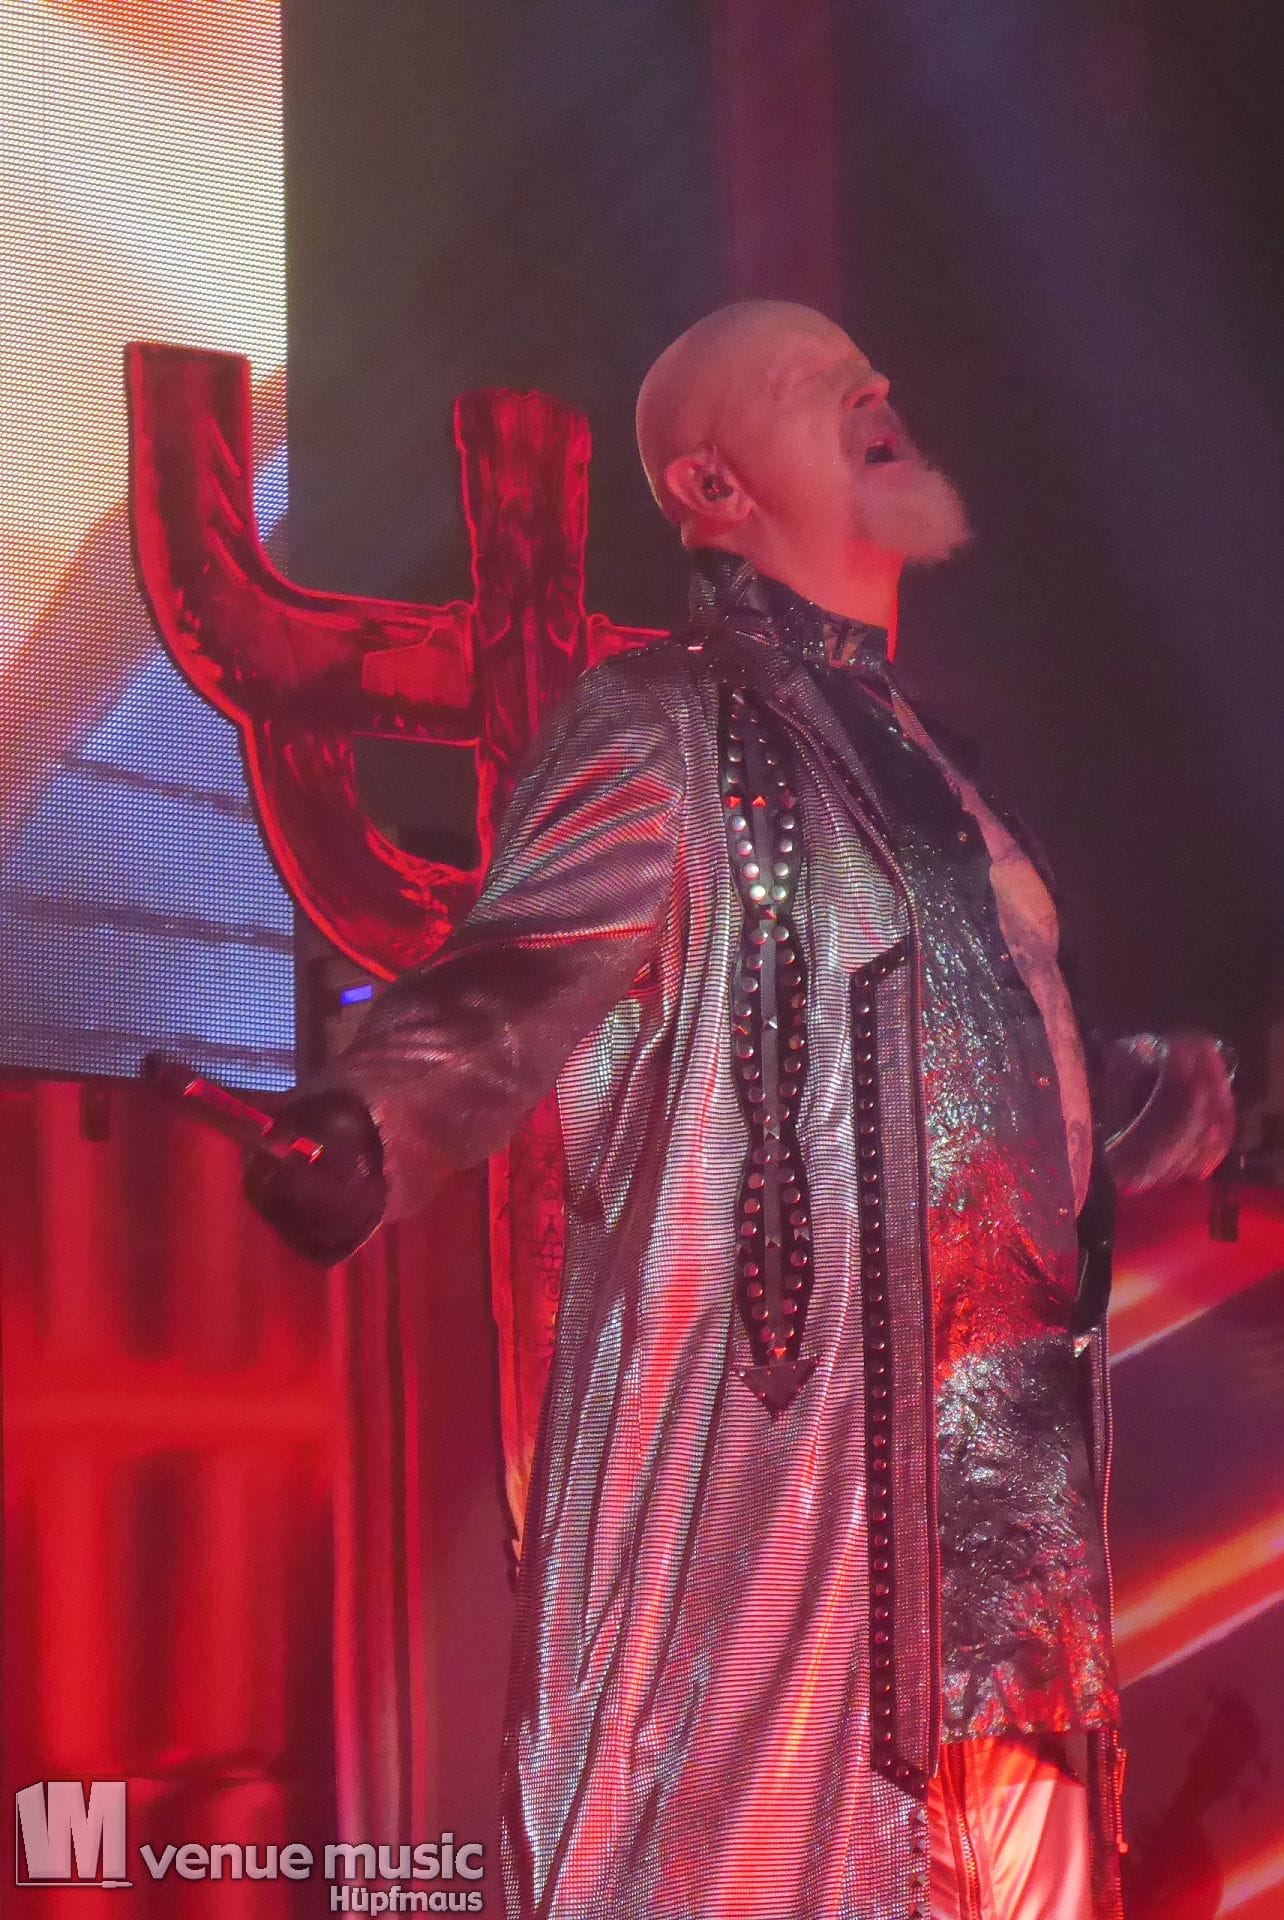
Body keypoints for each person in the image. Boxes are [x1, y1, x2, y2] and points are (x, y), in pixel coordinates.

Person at [246, 301, 1234, 1920]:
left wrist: (1145, 1102)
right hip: (810, 1518)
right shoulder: (664, 730)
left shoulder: (946, 769)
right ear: (709, 487)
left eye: (870, 371)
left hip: (1022, 1535)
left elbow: (980, 1071)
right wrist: (371, 1116)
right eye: (806, 380)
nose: (872, 388)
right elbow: (509, 974)